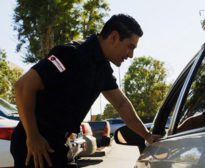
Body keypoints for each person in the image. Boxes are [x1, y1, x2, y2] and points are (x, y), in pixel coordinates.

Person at [10, 14, 160, 168]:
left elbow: (121, 104)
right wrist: (33, 137)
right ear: (114, 37)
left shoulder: (103, 69)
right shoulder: (70, 54)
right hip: (36, 144)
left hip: (60, 143)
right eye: (130, 46)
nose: (131, 55)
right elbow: (22, 86)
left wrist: (147, 136)